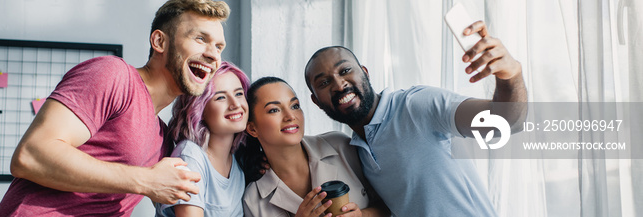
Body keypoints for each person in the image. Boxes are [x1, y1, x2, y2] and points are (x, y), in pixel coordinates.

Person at [0, 0, 230, 216]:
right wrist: (146, 180)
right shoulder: (114, 75)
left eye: (219, 47)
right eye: (200, 39)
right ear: (160, 41)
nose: (213, 55)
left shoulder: (163, 139)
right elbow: (31, 155)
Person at [303, 21, 527, 216]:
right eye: (324, 83)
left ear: (365, 72)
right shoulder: (355, 149)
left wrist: (510, 74)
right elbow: (390, 207)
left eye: (344, 71)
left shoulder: (418, 104)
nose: (339, 85)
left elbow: (505, 122)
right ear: (316, 101)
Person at [237, 77, 390, 217]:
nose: (291, 116)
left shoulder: (341, 146)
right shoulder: (253, 199)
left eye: (295, 105)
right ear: (252, 129)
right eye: (274, 110)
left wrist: (362, 215)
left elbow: (390, 205)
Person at [155, 61, 250, 217]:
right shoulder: (190, 156)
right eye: (220, 98)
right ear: (200, 109)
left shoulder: (237, 164)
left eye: (239, 94)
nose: (235, 104)